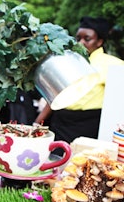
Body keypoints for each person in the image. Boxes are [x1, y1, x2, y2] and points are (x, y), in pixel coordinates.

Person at [35, 16, 124, 144]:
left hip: (89, 125)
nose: (81, 42)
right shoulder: (67, 59)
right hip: (61, 122)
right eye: (78, 38)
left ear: (100, 41)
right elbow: (56, 97)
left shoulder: (114, 65)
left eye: (87, 39)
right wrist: (36, 124)